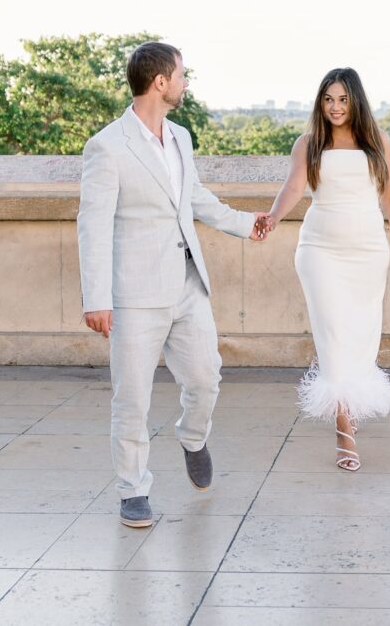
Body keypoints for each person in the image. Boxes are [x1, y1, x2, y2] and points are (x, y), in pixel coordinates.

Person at [77, 41, 270, 528]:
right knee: (133, 398)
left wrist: (247, 224)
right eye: (182, 75)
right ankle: (132, 490)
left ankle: (193, 436)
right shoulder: (107, 146)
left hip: (188, 284)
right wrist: (96, 298)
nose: (186, 82)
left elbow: (194, 198)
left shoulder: (181, 137)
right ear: (160, 82)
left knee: (206, 378)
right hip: (134, 294)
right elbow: (92, 225)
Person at [258, 67, 390, 471]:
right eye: (328, 99)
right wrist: (274, 217)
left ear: (356, 101)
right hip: (319, 250)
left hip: (367, 250)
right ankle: (344, 429)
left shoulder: (377, 141)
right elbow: (294, 187)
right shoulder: (308, 143)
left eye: (343, 99)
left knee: (361, 335)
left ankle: (350, 406)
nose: (335, 107)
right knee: (332, 334)